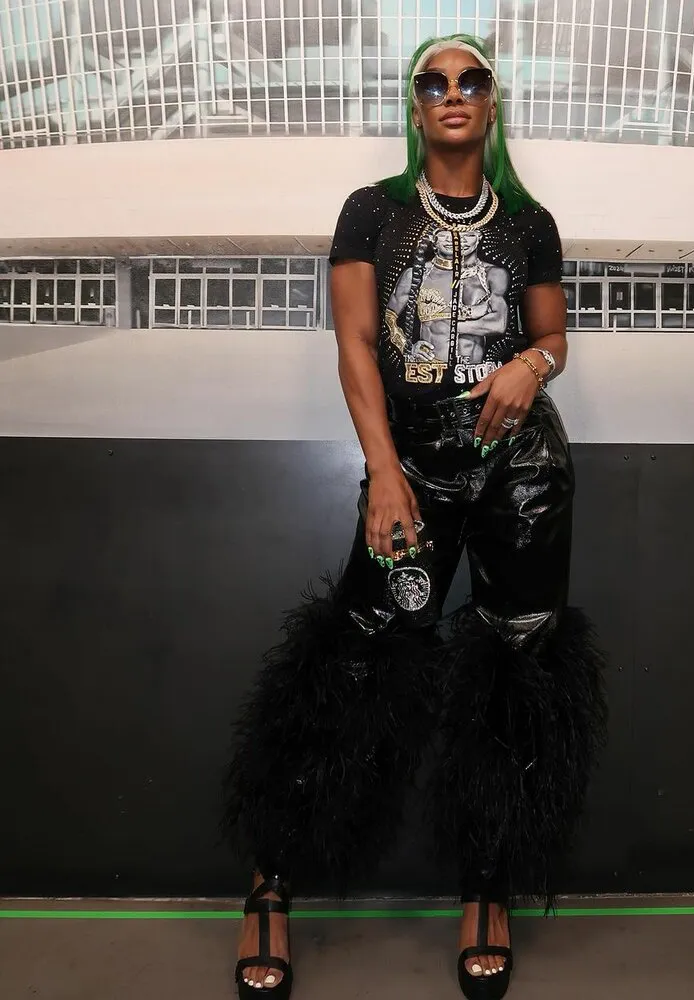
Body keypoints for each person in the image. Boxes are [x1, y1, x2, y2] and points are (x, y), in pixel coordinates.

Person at [222, 33, 607, 1000]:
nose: (453, 93)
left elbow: (554, 336)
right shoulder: (373, 211)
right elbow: (356, 346)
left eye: (471, 79)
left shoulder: (531, 221)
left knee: (518, 663)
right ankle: (271, 879)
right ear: (415, 104)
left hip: (522, 466)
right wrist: (385, 474)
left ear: (492, 101)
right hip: (415, 467)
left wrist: (530, 365)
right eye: (434, 82)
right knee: (358, 652)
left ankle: (488, 884)